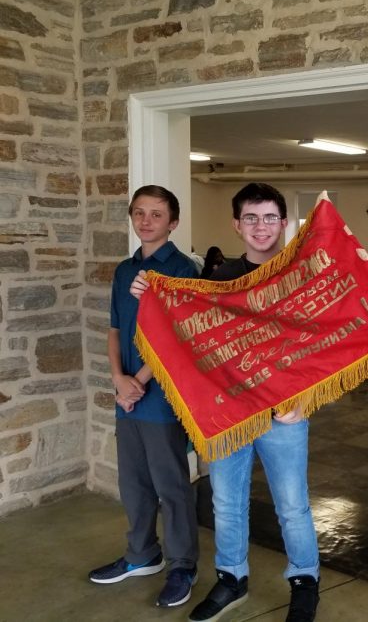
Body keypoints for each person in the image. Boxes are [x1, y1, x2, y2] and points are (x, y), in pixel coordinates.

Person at [131, 182, 320, 622]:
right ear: (237, 224)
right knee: (226, 501)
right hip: (230, 410)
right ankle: (231, 577)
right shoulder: (218, 279)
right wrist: (149, 294)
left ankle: (305, 581)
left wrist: (306, 399)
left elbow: (320, 345)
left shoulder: (301, 273)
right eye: (251, 218)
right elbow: (187, 330)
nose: (261, 226)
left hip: (285, 413)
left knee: (292, 503)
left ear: (284, 223)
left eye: (270, 217)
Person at [88, 185, 200, 608]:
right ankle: (142, 555)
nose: (146, 220)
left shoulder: (184, 271)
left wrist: (139, 380)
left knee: (171, 487)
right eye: (139, 212)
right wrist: (119, 378)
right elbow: (116, 328)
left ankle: (182, 566)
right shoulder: (123, 271)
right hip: (128, 395)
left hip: (161, 398)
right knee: (132, 483)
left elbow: (179, 334)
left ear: (172, 223)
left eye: (157, 214)